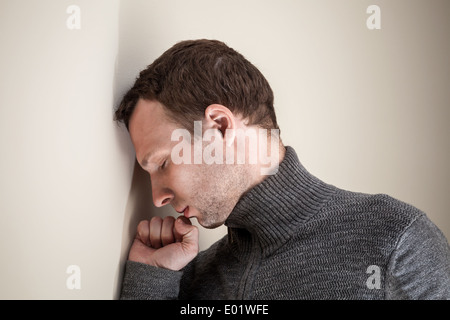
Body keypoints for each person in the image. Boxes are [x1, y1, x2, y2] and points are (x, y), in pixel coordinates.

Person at [114, 39, 450, 299]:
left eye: (162, 163)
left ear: (217, 126)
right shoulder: (191, 275)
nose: (157, 198)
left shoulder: (394, 237)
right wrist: (152, 280)